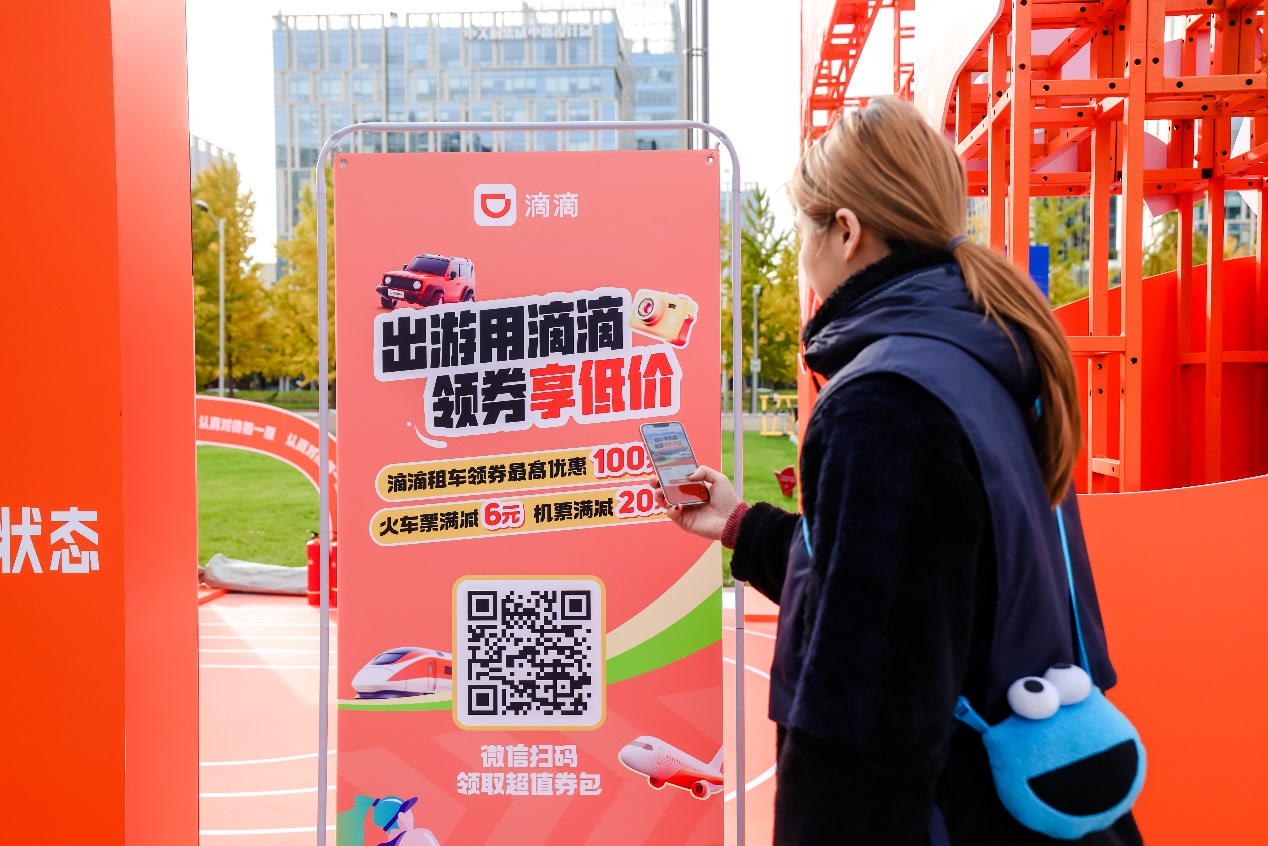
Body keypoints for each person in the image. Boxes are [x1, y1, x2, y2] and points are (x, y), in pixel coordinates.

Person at [651, 97, 1143, 845]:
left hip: (954, 813)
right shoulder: (979, 355)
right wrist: (741, 527)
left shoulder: (887, 401)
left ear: (846, 231)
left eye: (804, 229)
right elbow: (894, 584)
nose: (803, 254)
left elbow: (869, 705)